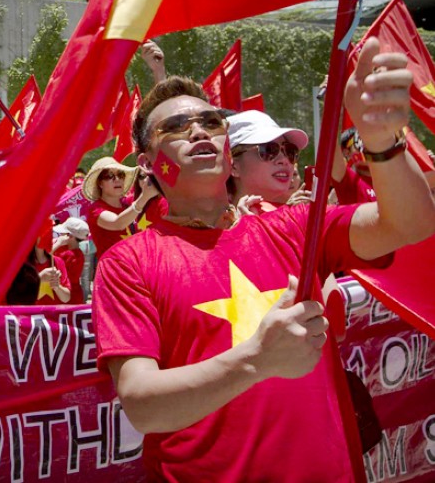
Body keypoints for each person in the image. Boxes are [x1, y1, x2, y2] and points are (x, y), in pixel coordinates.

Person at [94, 39, 435, 481]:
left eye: (211, 121)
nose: (198, 131)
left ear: (227, 151)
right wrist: (256, 359)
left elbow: (410, 224)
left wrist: (381, 143)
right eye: (176, 126)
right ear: (149, 165)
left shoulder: (295, 226)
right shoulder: (127, 262)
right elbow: (142, 404)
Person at [226, 110, 312, 214]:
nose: (284, 160)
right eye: (268, 150)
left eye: (290, 151)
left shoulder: (292, 217)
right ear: (233, 166)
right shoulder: (209, 224)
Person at [82, 157, 158, 259]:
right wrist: (144, 196)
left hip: (133, 268)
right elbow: (117, 223)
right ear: (100, 183)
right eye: (109, 176)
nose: (117, 179)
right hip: (112, 271)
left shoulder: (128, 204)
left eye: (120, 175)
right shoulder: (95, 209)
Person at [51, 217, 90, 304]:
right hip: (67, 293)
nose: (61, 234)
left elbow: (45, 258)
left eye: (63, 233)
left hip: (67, 296)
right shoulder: (66, 249)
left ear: (70, 236)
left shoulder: (72, 255)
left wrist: (57, 244)